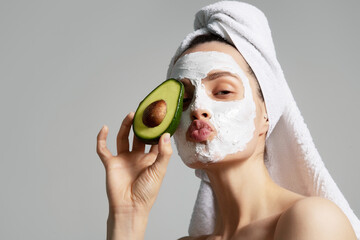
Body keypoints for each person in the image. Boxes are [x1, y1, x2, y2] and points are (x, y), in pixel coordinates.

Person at [96, 2, 359, 239]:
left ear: (266, 114)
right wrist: (128, 214)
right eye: (184, 100)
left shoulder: (313, 220)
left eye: (223, 91)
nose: (198, 109)